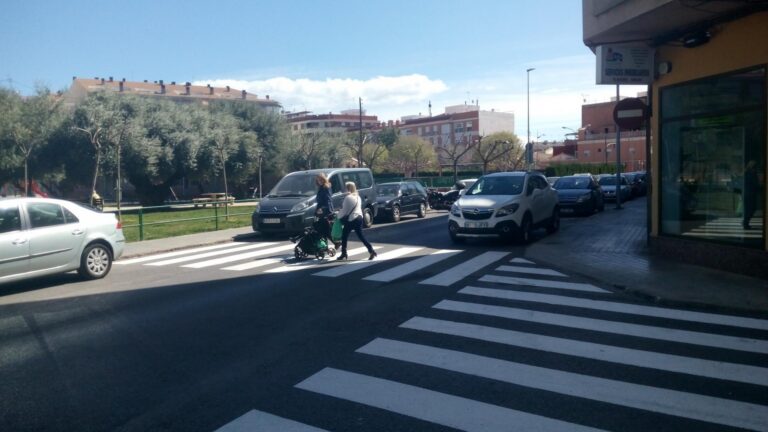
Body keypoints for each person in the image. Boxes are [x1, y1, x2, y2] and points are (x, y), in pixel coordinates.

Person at [337, 181, 376, 261]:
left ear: (348, 188)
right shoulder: (358, 197)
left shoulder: (348, 198)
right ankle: (371, 250)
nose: (344, 189)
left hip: (352, 219)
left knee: (344, 236)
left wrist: (338, 215)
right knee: (361, 236)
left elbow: (344, 210)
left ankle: (344, 253)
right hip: (359, 217)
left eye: (345, 187)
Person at [314, 173, 334, 242]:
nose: (319, 181)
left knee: (323, 229)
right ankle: (328, 245)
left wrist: (323, 209)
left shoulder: (326, 187)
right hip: (321, 210)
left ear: (323, 179)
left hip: (324, 211)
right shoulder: (321, 187)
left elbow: (328, 199)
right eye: (318, 180)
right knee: (323, 229)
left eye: (320, 179)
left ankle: (333, 243)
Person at [742, 160, 759, 229]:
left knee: (749, 209)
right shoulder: (752, 173)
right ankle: (745, 223)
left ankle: (745, 222)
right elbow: (755, 184)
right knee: (751, 209)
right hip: (750, 193)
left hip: (747, 193)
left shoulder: (746, 172)